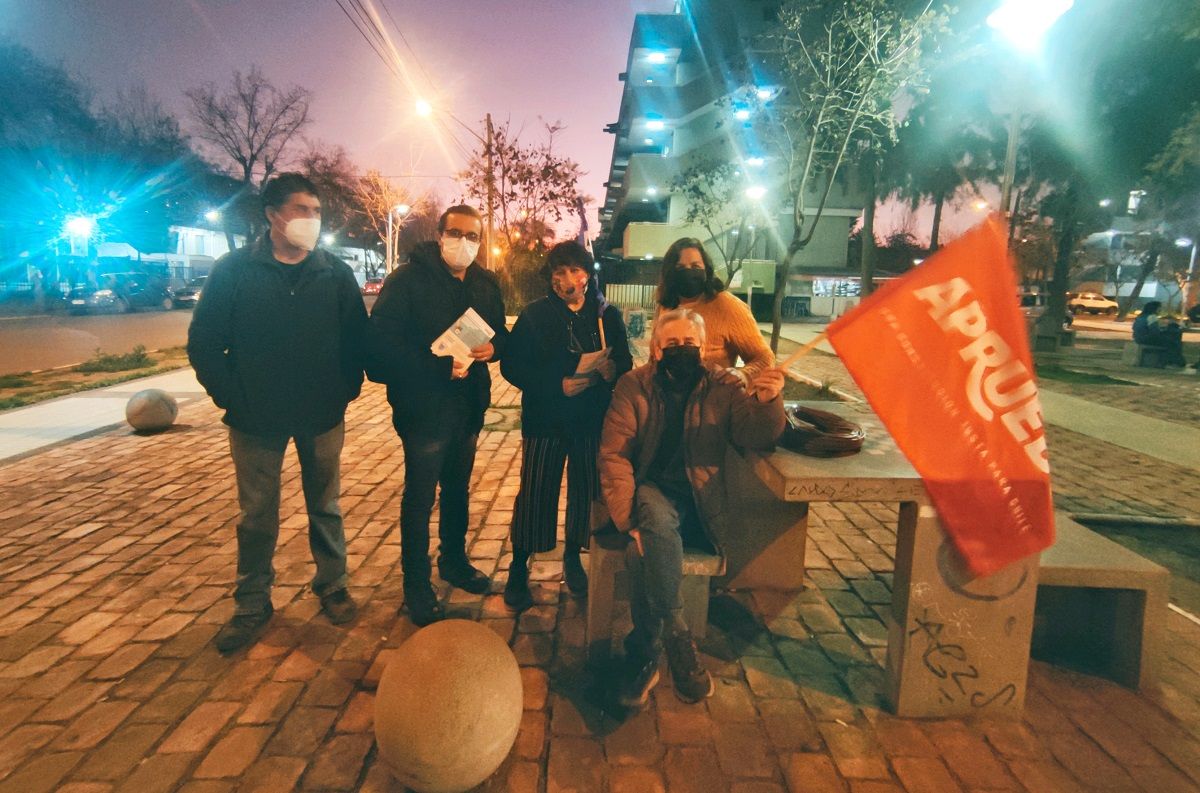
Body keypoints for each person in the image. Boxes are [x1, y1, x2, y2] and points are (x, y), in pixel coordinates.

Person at [188, 172, 368, 654]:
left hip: (321, 414)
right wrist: (232, 396)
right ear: (272, 215)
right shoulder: (234, 271)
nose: (311, 220)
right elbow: (205, 343)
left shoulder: (335, 273)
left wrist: (343, 391)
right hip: (255, 418)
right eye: (301, 210)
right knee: (256, 515)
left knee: (326, 507)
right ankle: (251, 601)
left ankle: (332, 584)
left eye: (316, 211)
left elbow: (357, 340)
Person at [599, 308, 786, 707]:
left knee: (639, 553)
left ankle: (646, 650)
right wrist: (627, 518)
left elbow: (755, 435)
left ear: (703, 348)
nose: (681, 350)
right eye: (672, 344)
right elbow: (614, 455)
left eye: (689, 344)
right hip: (652, 495)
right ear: (656, 347)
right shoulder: (634, 386)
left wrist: (769, 402)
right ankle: (680, 642)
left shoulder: (725, 386)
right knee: (651, 516)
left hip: (703, 502)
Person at [367, 204, 508, 626]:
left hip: (467, 407)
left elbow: (501, 333)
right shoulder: (407, 281)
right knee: (419, 498)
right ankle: (416, 584)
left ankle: (454, 561)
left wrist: (494, 349)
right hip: (423, 409)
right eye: (456, 233)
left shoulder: (485, 283)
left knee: (458, 491)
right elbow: (379, 352)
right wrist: (436, 365)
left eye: (472, 236)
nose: (463, 243)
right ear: (439, 233)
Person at [500, 241, 633, 610]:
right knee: (535, 491)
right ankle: (518, 564)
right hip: (545, 419)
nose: (567, 280)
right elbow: (512, 366)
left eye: (574, 271)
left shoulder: (607, 316)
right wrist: (554, 384)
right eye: (558, 273)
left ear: (588, 275)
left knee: (584, 492)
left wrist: (612, 370)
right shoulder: (535, 315)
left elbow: (624, 362)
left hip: (591, 421)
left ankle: (573, 557)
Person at [655, 237, 773, 386]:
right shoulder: (666, 305)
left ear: (707, 269)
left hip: (712, 401)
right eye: (680, 268)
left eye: (695, 266)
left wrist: (743, 375)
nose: (688, 272)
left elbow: (764, 358)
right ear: (670, 272)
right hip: (667, 400)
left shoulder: (727, 306)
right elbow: (656, 356)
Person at [1132, 301, 1187, 367]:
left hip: (1138, 338)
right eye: (1159, 308)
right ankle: (1173, 361)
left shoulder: (1140, 317)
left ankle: (1173, 361)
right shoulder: (1152, 317)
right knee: (1173, 342)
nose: (1160, 310)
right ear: (1155, 308)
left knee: (1170, 340)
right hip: (1147, 339)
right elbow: (1154, 332)